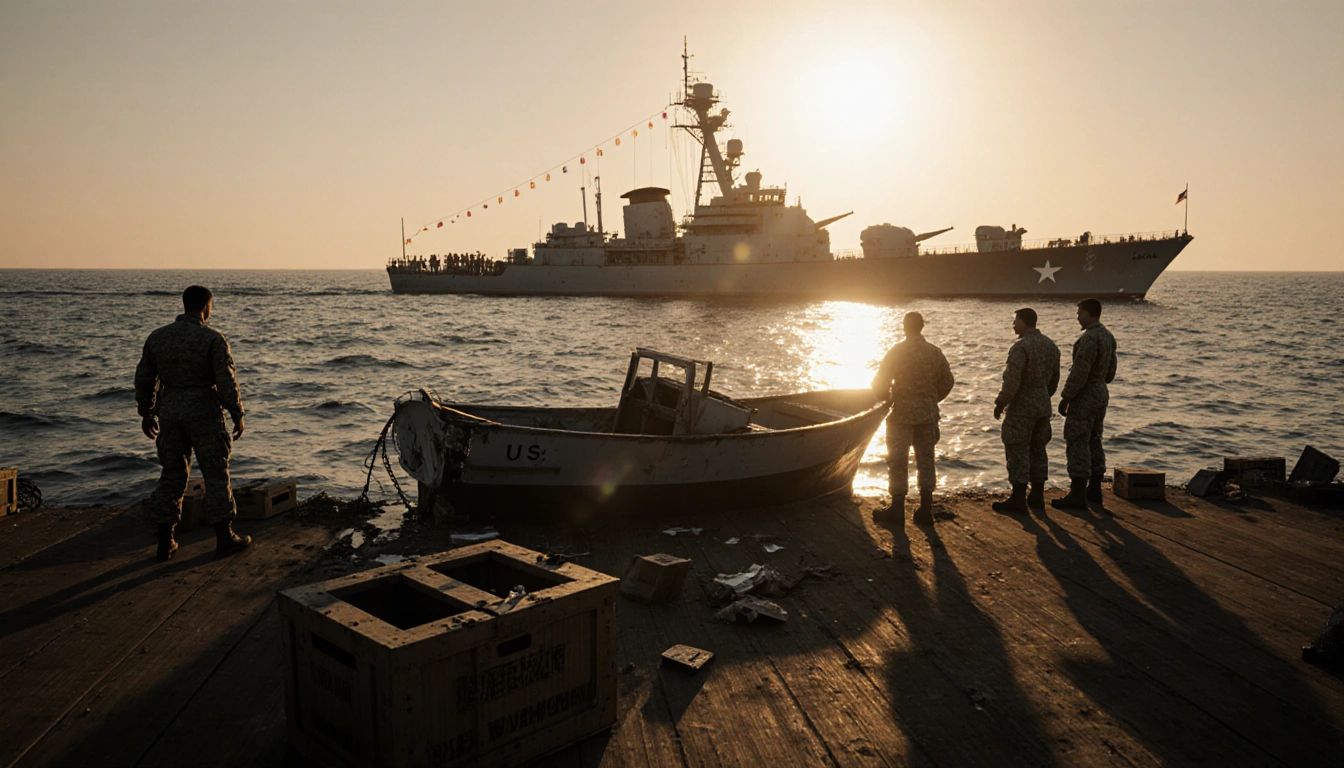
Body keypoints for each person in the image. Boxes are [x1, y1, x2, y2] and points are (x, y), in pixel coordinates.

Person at [134, 285, 251, 561]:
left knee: (172, 473)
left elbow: (144, 377)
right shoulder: (212, 339)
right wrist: (237, 412)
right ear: (206, 307)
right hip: (204, 412)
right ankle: (224, 538)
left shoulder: (157, 338)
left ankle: (166, 542)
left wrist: (146, 412)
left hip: (170, 411)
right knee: (215, 472)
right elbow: (225, 380)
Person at [871, 312, 955, 526]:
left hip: (902, 414)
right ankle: (926, 509)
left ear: (904, 327)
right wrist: (932, 399)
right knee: (926, 460)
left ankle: (897, 509)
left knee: (898, 460)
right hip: (927, 414)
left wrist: (885, 398)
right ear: (922, 327)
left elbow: (880, 383)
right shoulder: (934, 353)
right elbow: (947, 381)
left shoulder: (896, 352)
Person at [991, 308, 1060, 513]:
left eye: (1015, 321)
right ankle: (1037, 495)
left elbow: (1012, 381)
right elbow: (1054, 380)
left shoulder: (1021, 348)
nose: (1013, 325)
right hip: (1042, 404)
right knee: (1039, 449)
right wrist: (1042, 396)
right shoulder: (1051, 346)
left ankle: (1018, 498)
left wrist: (1000, 403)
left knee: (1017, 448)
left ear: (1025, 322)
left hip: (1022, 407)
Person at [1053, 298, 1117, 509]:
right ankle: (1095, 490)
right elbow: (1111, 372)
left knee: (1077, 439)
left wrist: (1066, 397)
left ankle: (1077, 493)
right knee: (1094, 439)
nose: (1078, 317)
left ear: (1089, 314)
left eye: (1080, 313)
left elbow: (1080, 371)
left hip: (1085, 395)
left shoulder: (1089, 339)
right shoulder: (1108, 337)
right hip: (1100, 392)